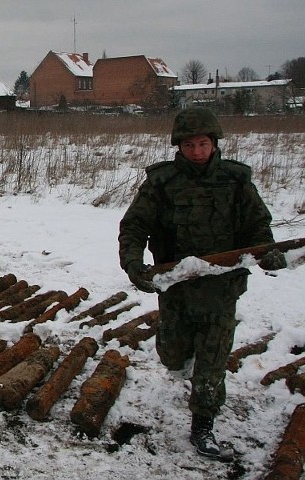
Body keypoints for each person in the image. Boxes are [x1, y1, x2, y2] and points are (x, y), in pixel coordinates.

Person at [118, 106, 286, 460]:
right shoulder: (161, 183)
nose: (197, 151)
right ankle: (180, 359)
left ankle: (203, 425)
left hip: (221, 289)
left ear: (214, 143)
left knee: (213, 360)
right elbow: (134, 226)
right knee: (173, 353)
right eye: (190, 145)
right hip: (177, 286)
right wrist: (133, 263)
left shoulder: (235, 180)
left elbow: (258, 224)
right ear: (179, 146)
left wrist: (267, 250)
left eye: (203, 143)